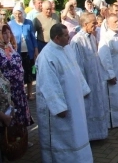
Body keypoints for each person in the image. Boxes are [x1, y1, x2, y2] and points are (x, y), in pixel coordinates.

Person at [36, 24, 93, 162]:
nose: (69, 38)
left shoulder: (66, 48)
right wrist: (59, 107)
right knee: (63, 137)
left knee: (77, 133)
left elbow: (76, 70)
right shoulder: (46, 56)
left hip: (74, 101)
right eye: (66, 35)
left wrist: (84, 89)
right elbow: (48, 84)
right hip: (61, 108)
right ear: (57, 38)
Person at [70, 13, 108, 141]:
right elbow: (77, 66)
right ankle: (88, 136)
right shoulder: (77, 41)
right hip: (86, 81)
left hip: (95, 79)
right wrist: (83, 86)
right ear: (85, 24)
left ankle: (100, 133)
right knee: (88, 109)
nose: (96, 26)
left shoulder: (92, 37)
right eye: (93, 23)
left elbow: (95, 58)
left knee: (97, 105)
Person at [0, 24, 33, 128]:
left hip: (19, 87)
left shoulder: (10, 46)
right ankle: (12, 140)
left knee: (20, 112)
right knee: (12, 113)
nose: (7, 35)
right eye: (4, 33)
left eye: (8, 32)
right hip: (8, 90)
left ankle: (22, 139)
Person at [8, 4, 38, 100]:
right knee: (20, 73)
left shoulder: (29, 23)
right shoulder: (10, 24)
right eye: (16, 14)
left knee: (29, 73)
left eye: (19, 13)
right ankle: (22, 93)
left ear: (23, 13)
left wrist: (36, 50)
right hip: (17, 53)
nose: (18, 15)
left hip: (28, 52)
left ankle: (30, 93)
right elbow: (9, 39)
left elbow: (33, 37)